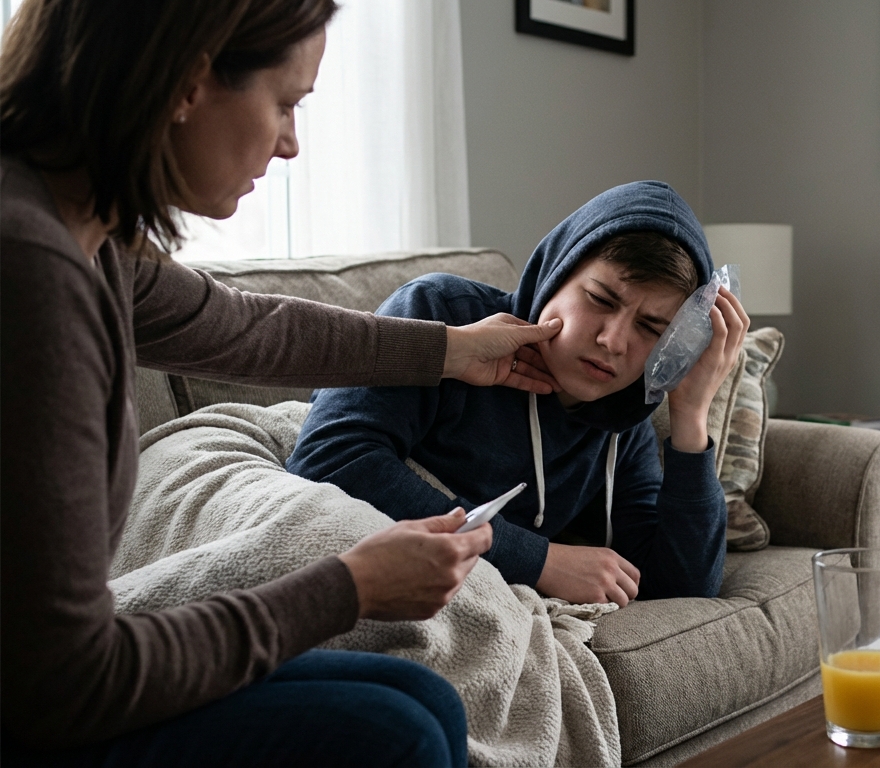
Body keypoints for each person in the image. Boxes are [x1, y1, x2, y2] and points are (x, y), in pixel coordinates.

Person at [0, 1, 562, 764]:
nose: (293, 144)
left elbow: (253, 329)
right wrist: (348, 588)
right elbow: (63, 684)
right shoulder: (31, 273)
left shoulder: (83, 236)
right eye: (287, 102)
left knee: (426, 700)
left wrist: (452, 350)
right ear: (189, 83)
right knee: (395, 734)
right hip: (46, 697)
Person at [289, 182, 749, 606]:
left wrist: (691, 417)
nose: (614, 340)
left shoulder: (621, 420)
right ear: (556, 273)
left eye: (652, 328)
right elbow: (328, 458)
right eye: (600, 299)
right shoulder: (441, 314)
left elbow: (684, 589)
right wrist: (539, 560)